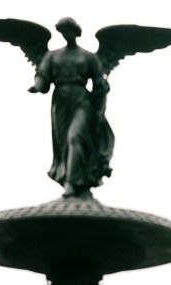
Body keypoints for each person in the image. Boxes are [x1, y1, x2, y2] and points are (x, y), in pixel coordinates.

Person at [29, 17, 115, 199]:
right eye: (62, 32)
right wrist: (37, 85)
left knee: (75, 137)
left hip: (81, 101)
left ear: (75, 32)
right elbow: (43, 77)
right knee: (64, 145)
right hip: (60, 103)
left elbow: (99, 83)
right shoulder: (52, 56)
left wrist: (100, 108)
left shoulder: (88, 57)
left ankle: (72, 183)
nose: (65, 34)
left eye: (67, 31)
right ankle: (74, 178)